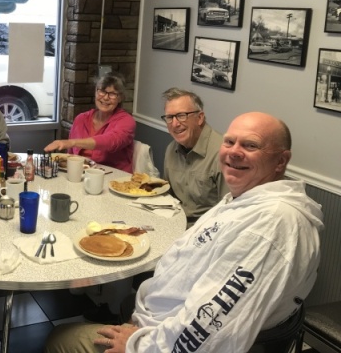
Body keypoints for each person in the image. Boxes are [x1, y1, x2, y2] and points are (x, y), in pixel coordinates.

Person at [44, 112, 323, 353]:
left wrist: (142, 343)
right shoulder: (244, 199)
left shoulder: (272, 225)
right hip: (158, 320)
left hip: (160, 340)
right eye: (229, 141)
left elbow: (215, 322)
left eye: (251, 145)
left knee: (59, 338)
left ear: (281, 161)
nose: (235, 151)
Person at [161, 87, 228, 225]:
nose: (175, 124)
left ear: (200, 118)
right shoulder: (171, 149)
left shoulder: (223, 154)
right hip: (174, 221)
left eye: (181, 115)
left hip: (206, 228)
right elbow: (167, 195)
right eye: (169, 117)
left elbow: (229, 211)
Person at [44, 74, 136, 173]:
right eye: (101, 91)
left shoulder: (127, 121)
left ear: (120, 98)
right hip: (81, 176)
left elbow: (110, 142)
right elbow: (70, 155)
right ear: (95, 92)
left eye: (112, 94)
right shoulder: (81, 119)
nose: (105, 98)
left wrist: (72, 142)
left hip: (114, 178)